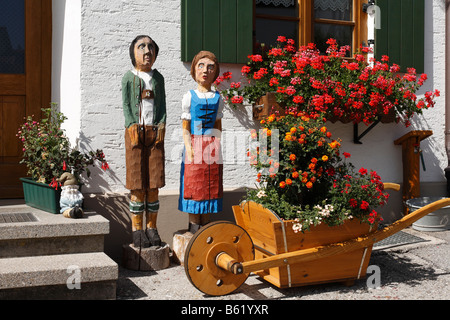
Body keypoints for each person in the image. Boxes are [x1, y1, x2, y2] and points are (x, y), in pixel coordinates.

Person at [122, 35, 166, 248]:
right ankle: (137, 230)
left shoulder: (158, 79)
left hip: (155, 133)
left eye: (151, 47)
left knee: (154, 183)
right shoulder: (128, 78)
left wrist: (162, 125)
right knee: (137, 183)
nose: (147, 51)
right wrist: (131, 125)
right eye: (142, 47)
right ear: (133, 52)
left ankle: (152, 227)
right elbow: (126, 106)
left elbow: (163, 105)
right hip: (135, 135)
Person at [179, 51, 224, 234]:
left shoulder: (218, 98)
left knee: (210, 186)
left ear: (215, 72)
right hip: (195, 144)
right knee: (194, 185)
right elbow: (185, 126)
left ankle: (206, 225)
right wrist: (189, 149)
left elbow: (218, 125)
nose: (205, 71)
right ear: (194, 70)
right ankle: (193, 226)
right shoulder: (189, 96)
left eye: (210, 67)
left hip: (211, 145)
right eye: (201, 66)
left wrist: (217, 145)